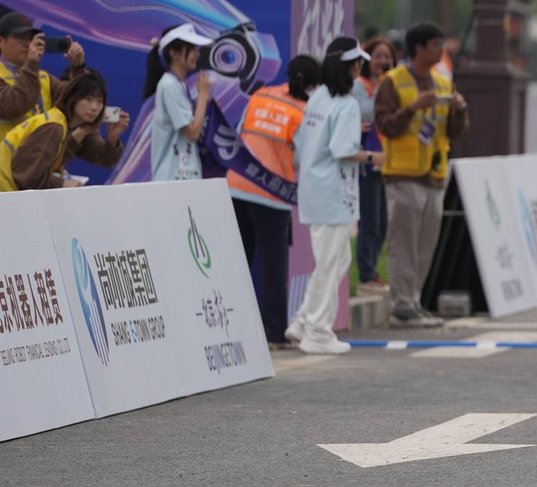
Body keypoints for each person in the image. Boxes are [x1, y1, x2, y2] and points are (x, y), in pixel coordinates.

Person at [287, 40, 383, 355]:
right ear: (351, 66)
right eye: (358, 62)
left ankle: (304, 322)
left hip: (316, 187)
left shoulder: (318, 98)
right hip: (333, 192)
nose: (360, 67)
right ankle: (317, 329)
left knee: (334, 260)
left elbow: (302, 143)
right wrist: (372, 157)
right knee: (331, 262)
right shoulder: (346, 104)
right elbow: (343, 150)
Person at [375, 22, 469, 327]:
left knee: (426, 243)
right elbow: (385, 124)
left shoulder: (443, 83)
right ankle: (402, 306)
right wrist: (413, 107)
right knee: (404, 243)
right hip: (403, 174)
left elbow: (455, 132)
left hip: (434, 174)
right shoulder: (393, 81)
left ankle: (414, 300)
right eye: (435, 45)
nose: (441, 50)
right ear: (418, 48)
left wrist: (459, 111)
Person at [228, 55, 317, 348]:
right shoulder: (303, 111)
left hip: (238, 186)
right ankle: (274, 332)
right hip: (271, 195)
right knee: (273, 265)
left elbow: (241, 130)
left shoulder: (262, 94)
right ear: (314, 84)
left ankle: (230, 326)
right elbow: (304, 157)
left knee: (238, 259)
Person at [0, 70, 126, 191]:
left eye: (100, 102)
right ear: (73, 98)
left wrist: (112, 139)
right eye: (88, 99)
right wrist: (62, 183)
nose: (94, 107)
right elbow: (27, 176)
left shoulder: (62, 124)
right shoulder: (54, 127)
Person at [145, 23, 215, 182]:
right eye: (191, 49)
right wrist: (203, 96)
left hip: (184, 176)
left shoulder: (179, 85)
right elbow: (192, 132)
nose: (197, 54)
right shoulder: (169, 85)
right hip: (172, 178)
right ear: (174, 54)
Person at [354, 37, 395, 291]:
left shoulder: (390, 84)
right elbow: (368, 113)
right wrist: (383, 89)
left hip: (387, 160)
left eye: (387, 56)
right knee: (370, 220)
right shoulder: (360, 86)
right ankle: (366, 274)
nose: (383, 61)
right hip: (366, 161)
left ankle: (372, 272)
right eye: (378, 56)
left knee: (382, 221)